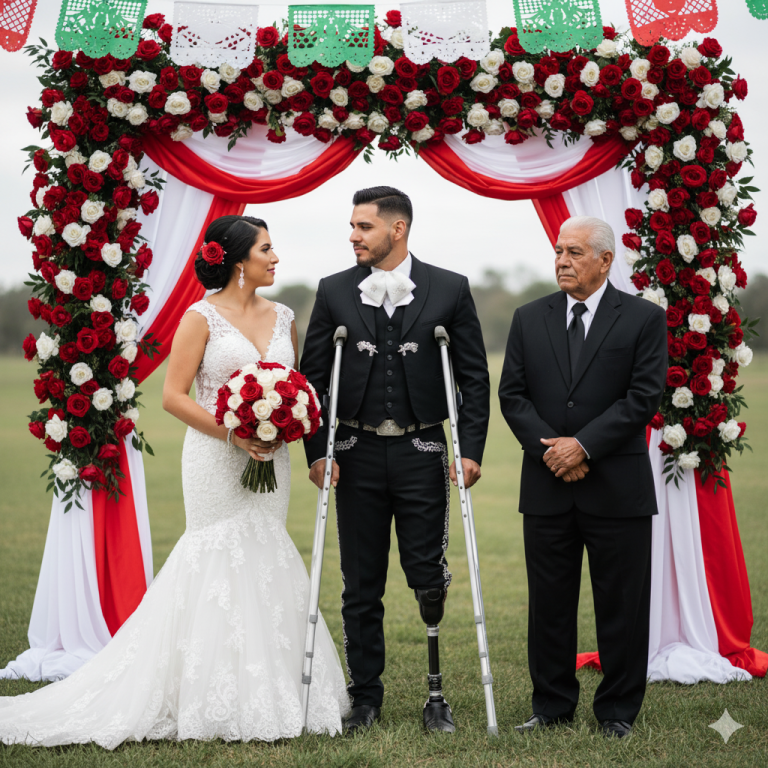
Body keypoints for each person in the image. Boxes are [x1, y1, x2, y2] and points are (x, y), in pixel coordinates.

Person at [0, 215, 349, 748]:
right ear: (238, 261)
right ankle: (201, 691)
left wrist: (286, 435)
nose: (276, 258)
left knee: (265, 549)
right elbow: (174, 396)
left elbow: (294, 389)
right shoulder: (199, 316)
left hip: (270, 460)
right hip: (215, 456)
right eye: (266, 249)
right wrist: (235, 435)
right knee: (214, 553)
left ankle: (273, 686)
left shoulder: (284, 317)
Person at [300, 187, 490, 734]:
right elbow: (314, 379)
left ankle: (436, 696)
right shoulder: (334, 290)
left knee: (428, 574)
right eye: (352, 226)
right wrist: (318, 451)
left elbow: (473, 378)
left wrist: (470, 450)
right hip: (355, 453)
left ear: (397, 229)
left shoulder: (450, 288)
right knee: (360, 581)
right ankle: (365, 697)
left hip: (423, 449)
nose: (353, 235)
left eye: (363, 226)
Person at [498, 216, 667, 739]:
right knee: (549, 605)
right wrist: (555, 451)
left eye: (574, 252)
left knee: (621, 605)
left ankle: (617, 711)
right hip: (548, 486)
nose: (562, 261)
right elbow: (513, 395)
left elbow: (643, 398)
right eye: (558, 251)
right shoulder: (529, 317)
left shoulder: (642, 318)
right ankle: (550, 707)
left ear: (605, 260)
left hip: (618, 489)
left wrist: (584, 445)